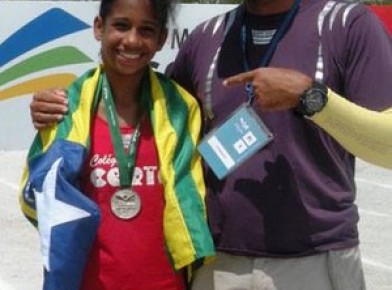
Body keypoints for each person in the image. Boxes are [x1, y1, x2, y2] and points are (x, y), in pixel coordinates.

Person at [29, 0, 392, 289]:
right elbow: (146, 107)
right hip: (218, 265)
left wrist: (313, 98)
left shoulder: (346, 24)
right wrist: (57, 105)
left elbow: (387, 147)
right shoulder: (208, 37)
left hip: (314, 260)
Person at [19, 0, 215, 290]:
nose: (132, 40)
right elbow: (35, 197)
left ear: (161, 39)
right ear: (100, 28)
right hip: (87, 282)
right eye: (121, 26)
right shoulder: (66, 112)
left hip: (165, 283)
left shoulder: (181, 110)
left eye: (146, 30)